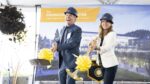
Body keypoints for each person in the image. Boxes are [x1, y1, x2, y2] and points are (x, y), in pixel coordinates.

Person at [51, 7, 82, 84]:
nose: (68, 16)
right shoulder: (63, 29)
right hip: (62, 63)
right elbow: (58, 40)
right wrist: (54, 43)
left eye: (71, 15)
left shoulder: (77, 29)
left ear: (75, 18)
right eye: (67, 15)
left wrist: (57, 47)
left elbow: (72, 43)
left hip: (71, 63)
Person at [89, 13, 119, 84]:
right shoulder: (99, 34)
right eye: (103, 21)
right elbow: (93, 44)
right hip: (102, 64)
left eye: (107, 21)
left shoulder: (112, 34)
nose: (105, 23)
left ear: (111, 24)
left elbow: (107, 47)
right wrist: (91, 44)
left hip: (110, 65)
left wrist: (96, 47)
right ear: (101, 23)